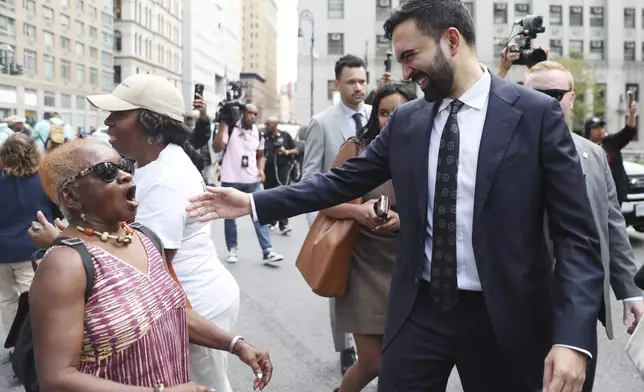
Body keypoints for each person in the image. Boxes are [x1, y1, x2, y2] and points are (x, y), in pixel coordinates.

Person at [185, 1, 604, 391]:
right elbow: (341, 180)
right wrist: (255, 202)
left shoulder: (535, 115)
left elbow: (577, 240)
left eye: (410, 56)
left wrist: (573, 339)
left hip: (505, 317)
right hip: (421, 309)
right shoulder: (407, 121)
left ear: (451, 41)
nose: (405, 73)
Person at [33, 74, 243, 392]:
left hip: (195, 305)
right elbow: (57, 375)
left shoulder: (163, 183)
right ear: (70, 196)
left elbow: (149, 284)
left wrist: (65, 244)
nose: (108, 121)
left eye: (119, 115)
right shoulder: (151, 167)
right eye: (108, 171)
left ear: (151, 124)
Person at [524, 60, 644, 392]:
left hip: (576, 302)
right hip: (516, 301)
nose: (548, 101)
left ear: (572, 98)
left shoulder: (593, 155)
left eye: (556, 93)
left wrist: (630, 291)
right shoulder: (502, 153)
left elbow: (612, 225)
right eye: (537, 94)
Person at [329, 82, 416, 392]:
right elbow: (326, 199)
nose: (390, 120)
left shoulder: (426, 150)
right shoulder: (357, 148)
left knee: (401, 362)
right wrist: (358, 212)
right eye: (383, 113)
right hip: (362, 266)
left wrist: (403, 220)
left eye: (399, 112)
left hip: (407, 268)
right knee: (373, 361)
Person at [301, 53, 371, 374]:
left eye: (362, 80)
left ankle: (373, 341)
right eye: (352, 82)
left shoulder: (378, 115)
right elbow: (309, 179)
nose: (359, 87)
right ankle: (346, 348)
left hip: (374, 215)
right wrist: (317, 225)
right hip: (338, 216)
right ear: (337, 84)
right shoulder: (322, 123)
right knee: (339, 284)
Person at [0, 134, 62, 339]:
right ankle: (33, 344)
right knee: (34, 300)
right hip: (34, 249)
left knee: (6, 300)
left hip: (2, 252)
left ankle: (13, 343)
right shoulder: (44, 179)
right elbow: (58, 212)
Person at [212, 103, 283, 265]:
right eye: (250, 113)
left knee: (260, 214)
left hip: (251, 180)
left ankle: (267, 251)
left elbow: (259, 155)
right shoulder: (230, 128)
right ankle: (232, 249)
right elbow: (217, 147)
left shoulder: (257, 132)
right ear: (242, 113)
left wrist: (261, 170)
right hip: (230, 179)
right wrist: (223, 123)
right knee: (229, 216)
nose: (253, 116)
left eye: (256, 114)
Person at [584, 104, 638, 205]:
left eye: (601, 126)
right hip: (596, 194)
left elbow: (628, 131)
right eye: (596, 127)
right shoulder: (584, 147)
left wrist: (631, 113)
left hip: (617, 191)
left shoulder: (611, 142)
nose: (600, 129)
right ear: (589, 131)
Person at [263, 116, 298, 234]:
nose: (266, 127)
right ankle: (271, 221)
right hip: (268, 171)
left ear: (275, 125)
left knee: (282, 196)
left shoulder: (285, 136)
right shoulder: (263, 137)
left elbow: (296, 150)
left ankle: (284, 224)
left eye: (268, 124)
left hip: (282, 171)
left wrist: (286, 152)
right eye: (266, 124)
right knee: (268, 197)